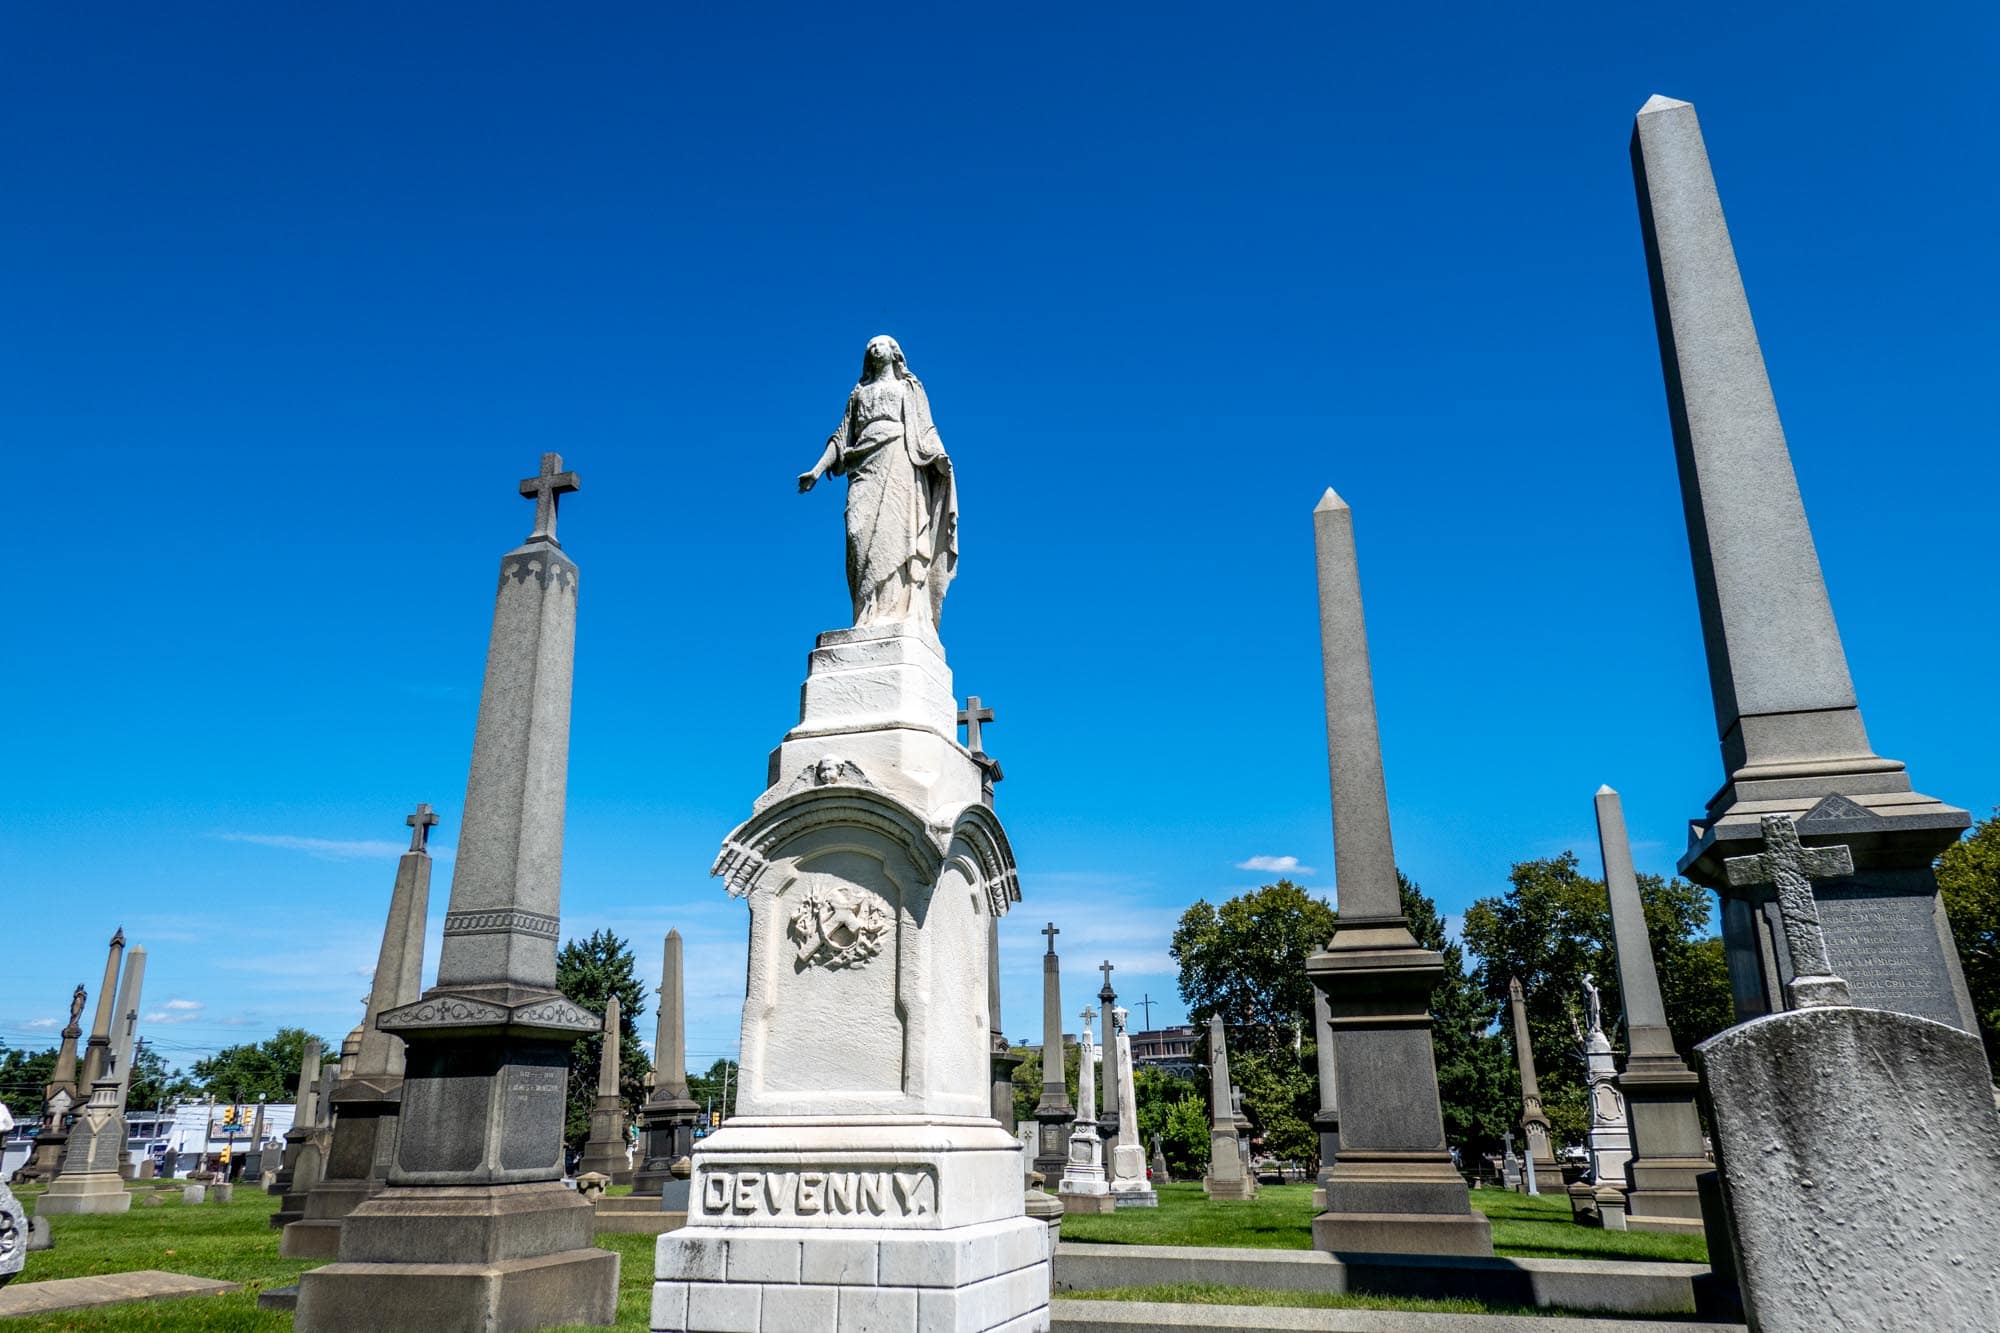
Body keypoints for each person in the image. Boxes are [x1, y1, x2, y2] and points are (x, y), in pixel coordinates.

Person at [799, 336, 958, 629]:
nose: (874, 348)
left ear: (895, 352)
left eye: (880, 344)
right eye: (869, 346)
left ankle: (896, 613)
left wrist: (938, 455)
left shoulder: (908, 388)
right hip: (862, 467)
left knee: (895, 532)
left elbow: (925, 427)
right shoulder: (857, 394)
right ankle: (865, 613)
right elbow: (840, 437)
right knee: (857, 534)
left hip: (898, 458)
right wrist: (817, 471)